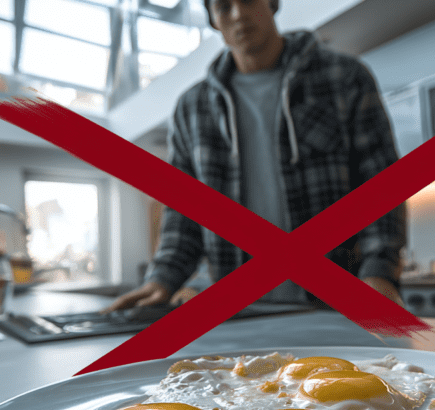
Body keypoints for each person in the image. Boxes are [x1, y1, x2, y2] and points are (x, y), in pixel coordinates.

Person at [104, 0, 406, 313]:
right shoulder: (191, 108)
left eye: (248, 0)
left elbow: (381, 184)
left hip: (337, 299)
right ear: (213, 21)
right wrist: (162, 279)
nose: (238, 14)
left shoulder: (344, 78)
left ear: (273, 3)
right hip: (237, 309)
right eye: (223, 7)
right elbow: (184, 212)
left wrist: (379, 271)